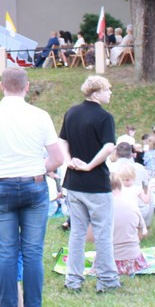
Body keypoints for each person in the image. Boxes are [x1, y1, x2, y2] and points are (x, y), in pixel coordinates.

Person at [0, 66, 66, 307]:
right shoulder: (40, 116)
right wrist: (35, 170)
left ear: (1, 86)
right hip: (33, 186)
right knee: (33, 252)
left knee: (6, 253)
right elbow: (57, 158)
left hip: (1, 186)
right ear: (27, 87)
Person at [60, 75, 120, 293]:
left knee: (77, 233)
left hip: (74, 183)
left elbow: (62, 140)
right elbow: (109, 147)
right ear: (96, 93)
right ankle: (107, 279)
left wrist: (69, 161)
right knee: (103, 232)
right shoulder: (105, 117)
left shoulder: (71, 113)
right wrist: (90, 165)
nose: (110, 93)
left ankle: (73, 279)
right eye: (107, 89)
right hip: (96, 185)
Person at [110, 161, 148, 276]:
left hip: (110, 259)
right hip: (133, 258)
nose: (126, 182)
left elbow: (90, 237)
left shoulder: (103, 210)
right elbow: (141, 232)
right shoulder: (133, 206)